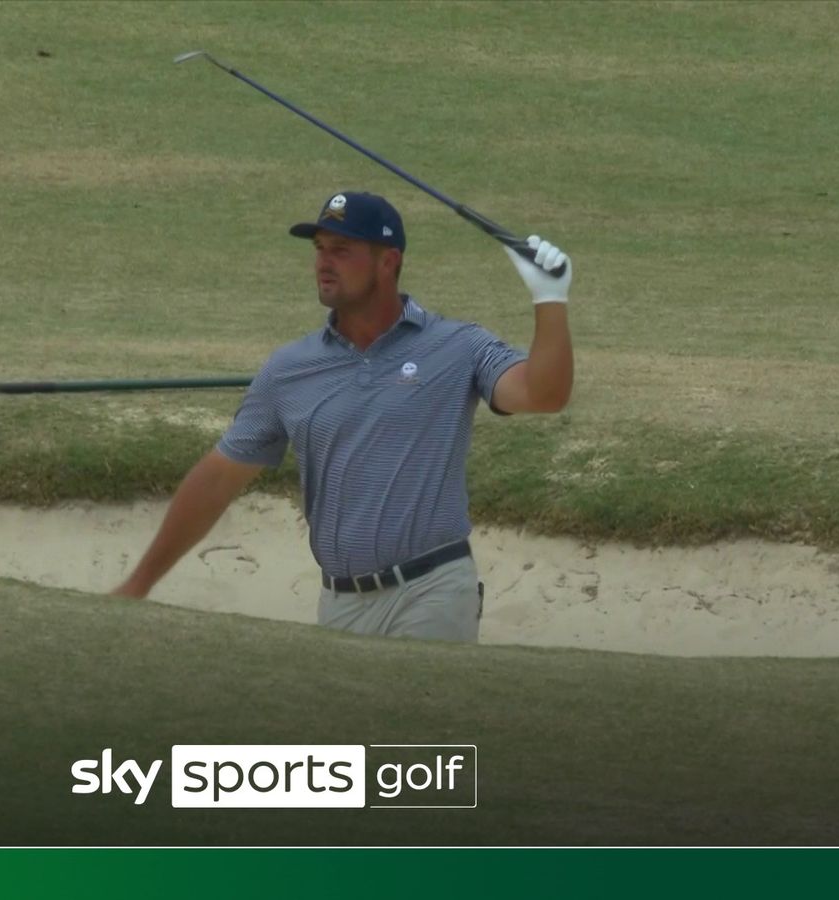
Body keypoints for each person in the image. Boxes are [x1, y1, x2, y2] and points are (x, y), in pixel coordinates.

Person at [112, 191, 573, 642]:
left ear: (387, 262)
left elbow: (543, 393)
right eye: (319, 250)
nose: (323, 263)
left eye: (342, 250)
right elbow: (216, 480)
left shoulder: (457, 346)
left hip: (432, 589)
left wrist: (549, 298)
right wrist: (140, 583)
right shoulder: (289, 369)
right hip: (340, 604)